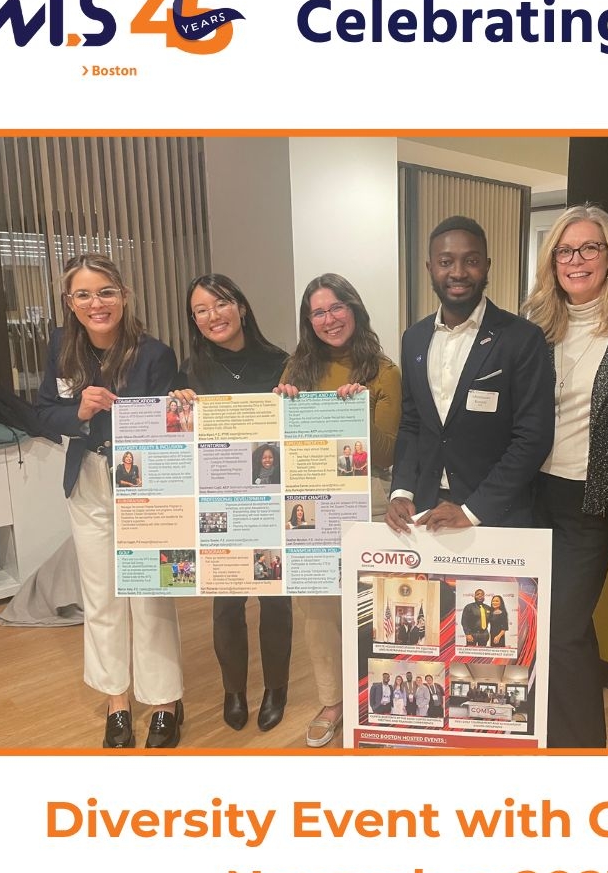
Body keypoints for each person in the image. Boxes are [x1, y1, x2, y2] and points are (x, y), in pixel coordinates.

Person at [35, 254, 184, 749]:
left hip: (144, 485)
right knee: (100, 595)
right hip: (88, 481)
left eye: (105, 292)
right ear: (69, 301)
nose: (95, 303)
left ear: (124, 295)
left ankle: (163, 701)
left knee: (150, 593)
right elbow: (44, 411)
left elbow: (169, 429)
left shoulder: (155, 354)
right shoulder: (61, 346)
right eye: (83, 294)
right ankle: (116, 699)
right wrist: (77, 412)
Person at [523, 204, 608, 749]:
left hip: (591, 498)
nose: (576, 260)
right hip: (530, 494)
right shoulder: (534, 326)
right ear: (552, 262)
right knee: (540, 620)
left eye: (589, 248)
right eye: (564, 251)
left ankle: (580, 750)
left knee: (564, 624)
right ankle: (543, 733)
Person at [276, 273, 402, 747]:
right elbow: (278, 445)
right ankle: (332, 702)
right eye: (318, 312)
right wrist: (281, 407)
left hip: (367, 498)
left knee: (372, 606)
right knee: (318, 608)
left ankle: (377, 702)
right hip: (309, 500)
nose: (328, 319)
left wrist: (359, 412)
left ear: (354, 309)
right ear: (308, 321)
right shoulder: (296, 368)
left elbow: (387, 454)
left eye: (336, 308)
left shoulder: (384, 371)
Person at [170, 273, 293, 735]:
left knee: (276, 601)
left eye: (220, 304)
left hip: (270, 501)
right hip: (219, 507)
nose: (212, 316)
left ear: (240, 306)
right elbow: (178, 444)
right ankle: (234, 690)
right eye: (200, 310)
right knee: (226, 603)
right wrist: (178, 407)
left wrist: (294, 401)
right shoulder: (191, 371)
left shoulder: (282, 363)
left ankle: (276, 688)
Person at [386, 215, 554, 534]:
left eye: (471, 261)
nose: (458, 272)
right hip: (424, 512)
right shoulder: (414, 338)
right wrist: (402, 492)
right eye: (445, 261)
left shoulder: (521, 338)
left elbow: (533, 437)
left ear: (487, 266)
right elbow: (411, 423)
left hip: (496, 516)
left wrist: (473, 510)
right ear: (430, 268)